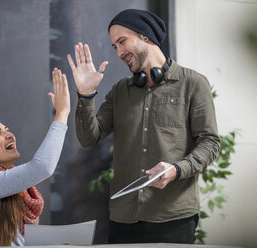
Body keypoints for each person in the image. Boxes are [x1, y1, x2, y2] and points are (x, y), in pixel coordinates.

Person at [67, 9, 220, 244]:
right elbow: (89, 138)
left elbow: (210, 143)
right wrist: (86, 94)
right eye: (114, 47)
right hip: (123, 218)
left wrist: (177, 169)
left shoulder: (193, 84)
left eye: (122, 42)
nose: (118, 52)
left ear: (145, 36)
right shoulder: (120, 91)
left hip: (174, 216)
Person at [0, 68, 70, 246]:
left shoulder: (15, 189)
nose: (10, 135)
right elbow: (42, 167)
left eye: (7, 130)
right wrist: (62, 113)